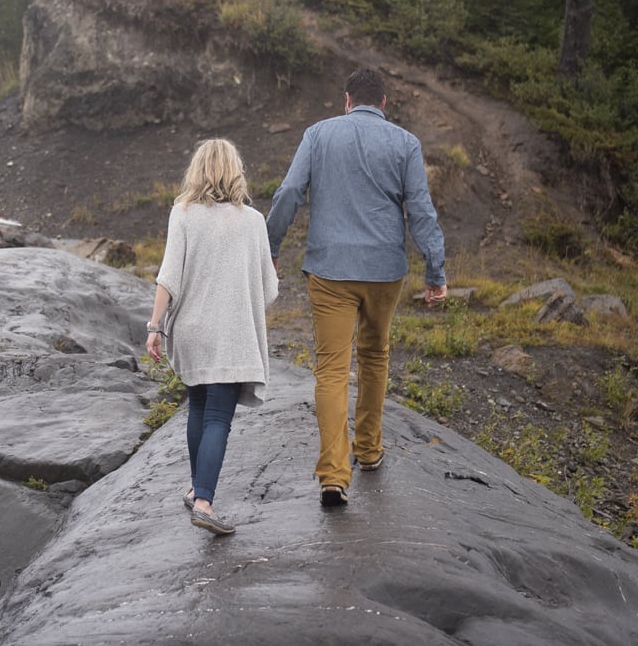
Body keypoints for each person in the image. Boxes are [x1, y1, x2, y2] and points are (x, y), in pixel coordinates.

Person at [266, 67, 447, 508]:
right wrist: (435, 272)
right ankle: (368, 450)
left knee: (330, 369)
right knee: (374, 354)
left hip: (329, 269)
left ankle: (333, 475)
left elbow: (290, 191)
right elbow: (421, 212)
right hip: (385, 269)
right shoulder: (406, 143)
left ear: (346, 99)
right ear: (384, 103)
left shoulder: (317, 134)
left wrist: (270, 246)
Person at [146, 138, 277, 537]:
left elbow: (169, 275)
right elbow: (269, 289)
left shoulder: (183, 213)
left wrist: (155, 326)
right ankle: (204, 501)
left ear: (198, 171)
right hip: (230, 335)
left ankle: (194, 487)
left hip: (191, 331)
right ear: (235, 171)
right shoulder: (253, 221)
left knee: (199, 410)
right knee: (219, 416)